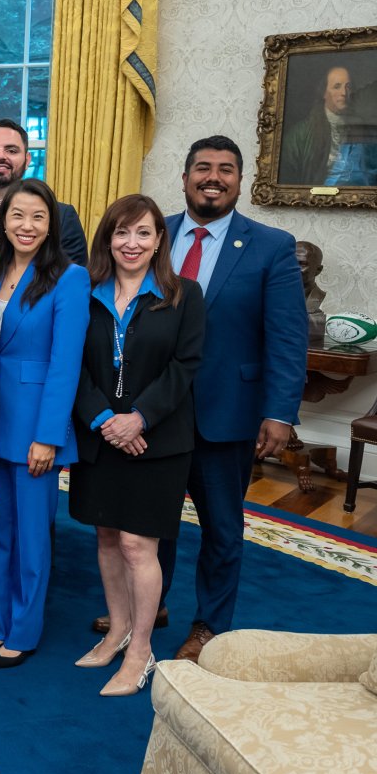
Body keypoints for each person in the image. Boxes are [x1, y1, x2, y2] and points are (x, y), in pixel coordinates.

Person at [160, 137, 307, 661]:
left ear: (239, 182)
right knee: (153, 518)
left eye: (226, 169)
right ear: (184, 178)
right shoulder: (158, 236)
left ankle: (208, 626)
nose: (213, 177)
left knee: (221, 529)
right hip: (156, 412)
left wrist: (279, 412)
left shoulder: (270, 245)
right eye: (202, 168)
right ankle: (149, 600)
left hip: (227, 414)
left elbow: (288, 337)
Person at [71, 194, 205, 696]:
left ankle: (141, 649)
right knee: (106, 537)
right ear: (108, 238)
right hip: (101, 435)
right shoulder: (83, 291)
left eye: (143, 233)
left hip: (159, 441)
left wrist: (139, 418)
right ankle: (118, 629)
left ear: (158, 241)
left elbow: (186, 366)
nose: (131, 243)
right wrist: (106, 419)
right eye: (122, 232)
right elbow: (72, 366)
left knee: (135, 544)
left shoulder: (184, 294)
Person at [0, 178, 90, 668]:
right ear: (4, 220)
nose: (27, 225)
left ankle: (23, 631)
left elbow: (66, 365)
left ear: (52, 224)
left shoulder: (70, 278)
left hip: (35, 429)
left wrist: (49, 436)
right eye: (18, 215)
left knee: (31, 536)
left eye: (38, 217)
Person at [0, 119, 88, 265]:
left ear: (27, 160)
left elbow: (73, 280)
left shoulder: (62, 216)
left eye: (11, 150)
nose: (0, 156)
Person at [280, 66, 376, 186]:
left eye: (348, 86)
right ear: (324, 93)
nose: (344, 93)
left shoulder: (362, 129)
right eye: (337, 87)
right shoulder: (299, 134)